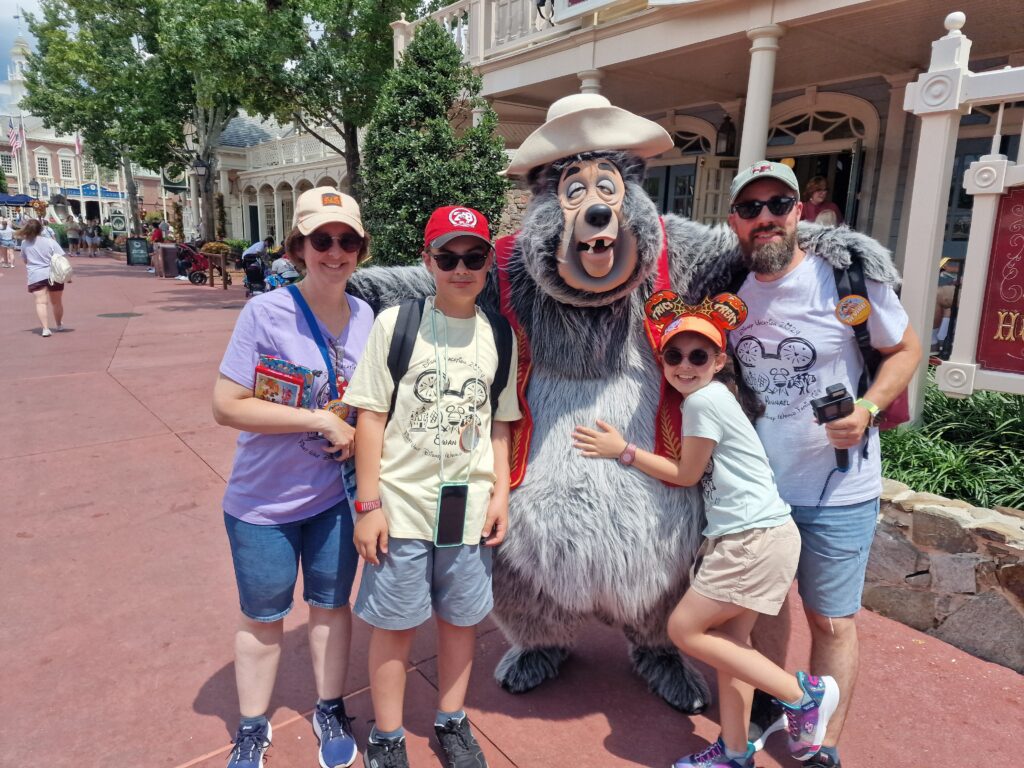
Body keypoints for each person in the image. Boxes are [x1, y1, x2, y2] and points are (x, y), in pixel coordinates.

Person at [573, 297, 840, 768]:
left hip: (751, 539)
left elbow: (686, 474)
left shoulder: (703, 401)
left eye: (699, 356)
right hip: (759, 536)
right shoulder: (714, 399)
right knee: (731, 648)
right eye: (674, 355)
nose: (684, 365)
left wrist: (623, 450)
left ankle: (802, 695)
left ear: (718, 362)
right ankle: (735, 752)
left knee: (684, 629)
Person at [726, 161, 921, 768]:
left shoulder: (846, 281)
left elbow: (906, 348)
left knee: (831, 622)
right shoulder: (729, 291)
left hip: (840, 488)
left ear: (798, 213)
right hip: (759, 490)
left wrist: (867, 408)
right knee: (761, 608)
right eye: (751, 208)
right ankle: (772, 697)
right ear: (734, 221)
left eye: (777, 205)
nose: (765, 218)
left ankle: (820, 745)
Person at [342, 206, 521, 768]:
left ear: (488, 263)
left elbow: (500, 422)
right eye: (448, 257)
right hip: (402, 506)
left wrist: (501, 494)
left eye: (474, 256)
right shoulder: (397, 324)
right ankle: (387, 735)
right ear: (428, 261)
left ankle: (452, 720)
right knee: (395, 625)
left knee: (462, 620)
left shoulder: (499, 334)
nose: (461, 268)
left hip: (468, 508)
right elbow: (370, 416)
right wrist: (368, 504)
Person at [211, 186, 376, 768]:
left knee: (331, 607)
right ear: (298, 248)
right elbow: (226, 404)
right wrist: (317, 420)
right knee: (263, 618)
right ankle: (252, 726)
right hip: (264, 503)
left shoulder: (366, 317)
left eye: (347, 241)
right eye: (321, 240)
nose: (335, 252)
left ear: (360, 250)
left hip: (334, 499)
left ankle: (330, 707)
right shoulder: (265, 313)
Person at [18, 218, 68, 337]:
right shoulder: (50, 241)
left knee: (41, 303)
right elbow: (61, 257)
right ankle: (59, 325)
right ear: (41, 229)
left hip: (36, 275)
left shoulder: (24, 243)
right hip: (53, 274)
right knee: (56, 302)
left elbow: (25, 260)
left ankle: (45, 329)